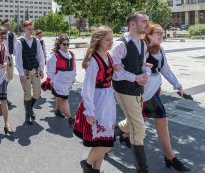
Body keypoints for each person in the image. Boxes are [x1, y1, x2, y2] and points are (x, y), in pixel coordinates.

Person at [123, 23, 190, 171]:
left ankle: (170, 156)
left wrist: (178, 86)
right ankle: (109, 139)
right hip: (138, 92)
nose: (162, 35)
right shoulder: (142, 49)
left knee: (162, 119)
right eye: (158, 33)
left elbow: (165, 69)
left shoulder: (160, 50)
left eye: (162, 33)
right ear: (149, 35)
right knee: (131, 123)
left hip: (152, 93)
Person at [111, 11, 151, 173]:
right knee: (139, 128)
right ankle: (143, 169)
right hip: (124, 89)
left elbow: (143, 64)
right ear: (132, 24)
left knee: (130, 123)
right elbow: (116, 72)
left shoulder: (142, 44)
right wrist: (135, 78)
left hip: (137, 89)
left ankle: (106, 137)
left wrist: (145, 75)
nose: (148, 24)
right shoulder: (120, 44)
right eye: (144, 21)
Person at [73, 26, 116, 173]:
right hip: (97, 101)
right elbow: (87, 88)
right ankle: (86, 163)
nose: (111, 42)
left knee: (101, 142)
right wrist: (89, 111)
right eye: (107, 39)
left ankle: (96, 169)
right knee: (107, 143)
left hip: (107, 100)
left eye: (112, 39)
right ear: (99, 40)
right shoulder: (94, 60)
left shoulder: (108, 57)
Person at [15, 20, 45, 125]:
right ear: (24, 29)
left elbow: (40, 56)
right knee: (27, 94)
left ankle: (30, 108)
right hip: (25, 71)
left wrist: (41, 69)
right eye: (29, 29)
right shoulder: (20, 42)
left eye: (32, 29)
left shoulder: (36, 41)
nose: (31, 31)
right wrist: (21, 74)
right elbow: (18, 60)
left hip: (35, 70)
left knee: (37, 93)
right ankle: (28, 115)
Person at [43, 34, 76, 125]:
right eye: (64, 44)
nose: (66, 46)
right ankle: (70, 118)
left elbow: (74, 68)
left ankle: (57, 110)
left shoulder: (71, 54)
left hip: (68, 82)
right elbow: (50, 71)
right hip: (59, 82)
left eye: (67, 44)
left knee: (60, 97)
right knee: (64, 99)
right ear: (59, 44)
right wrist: (53, 82)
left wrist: (73, 78)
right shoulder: (54, 56)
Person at [0, 19, 17, 108]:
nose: (8, 26)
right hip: (1, 59)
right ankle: (4, 97)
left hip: (9, 58)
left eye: (8, 25)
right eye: (6, 25)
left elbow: (16, 46)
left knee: (9, 77)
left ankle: (2, 91)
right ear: (2, 25)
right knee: (2, 77)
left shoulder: (12, 34)